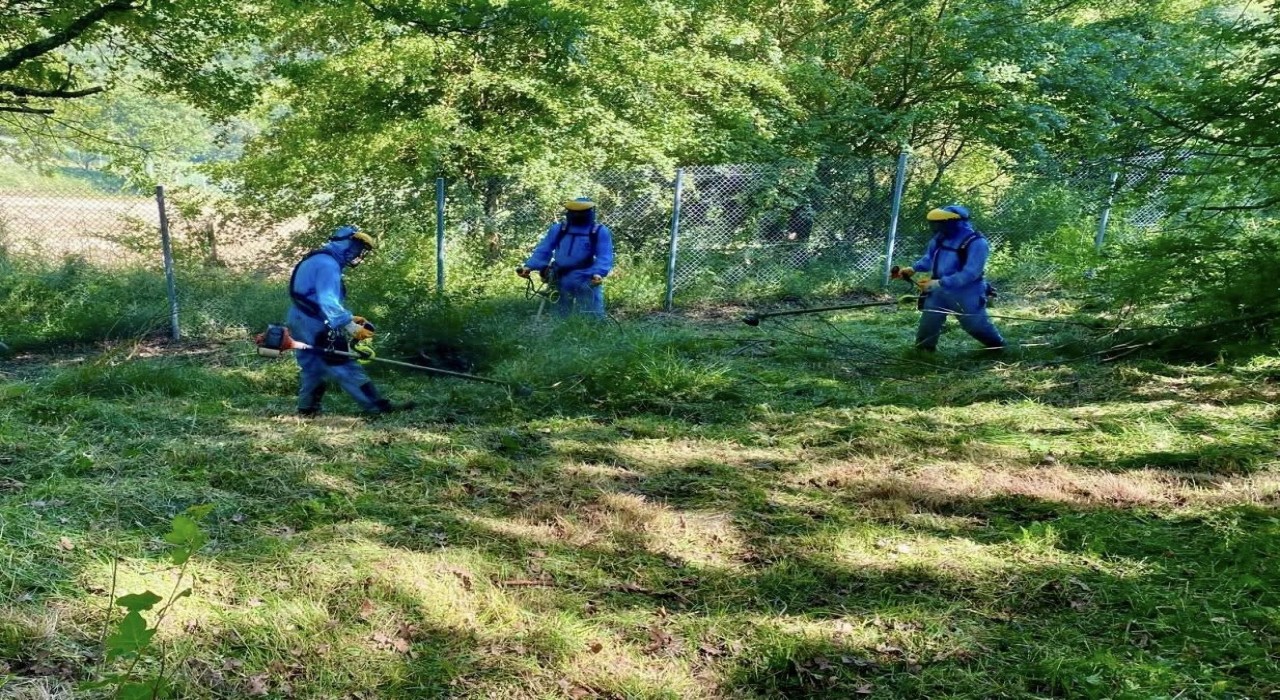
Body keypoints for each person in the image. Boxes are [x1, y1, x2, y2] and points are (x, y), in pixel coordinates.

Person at [286, 225, 413, 416]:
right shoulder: (328, 265)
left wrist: (349, 317)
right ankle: (376, 406)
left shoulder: (319, 259)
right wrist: (351, 326)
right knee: (342, 363)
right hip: (314, 323)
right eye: (356, 248)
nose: (357, 254)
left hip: (300, 317)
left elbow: (313, 296)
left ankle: (307, 409)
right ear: (344, 242)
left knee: (312, 365)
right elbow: (327, 299)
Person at [892, 205, 1004, 352]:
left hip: (967, 292)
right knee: (929, 322)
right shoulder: (939, 238)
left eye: (940, 223)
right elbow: (929, 259)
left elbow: (971, 273)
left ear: (955, 222)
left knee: (975, 325)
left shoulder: (976, 243)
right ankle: (923, 352)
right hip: (938, 291)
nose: (936, 227)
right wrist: (914, 268)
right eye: (934, 223)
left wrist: (940, 282)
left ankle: (998, 347)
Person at [516, 198, 615, 319]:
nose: (578, 214)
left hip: (586, 277)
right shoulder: (558, 229)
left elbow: (605, 255)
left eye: (582, 212)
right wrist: (529, 266)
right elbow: (544, 249)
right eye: (574, 211)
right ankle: (559, 333)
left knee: (591, 315)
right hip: (560, 277)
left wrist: (598, 272)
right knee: (559, 314)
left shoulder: (599, 231)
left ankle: (591, 332)